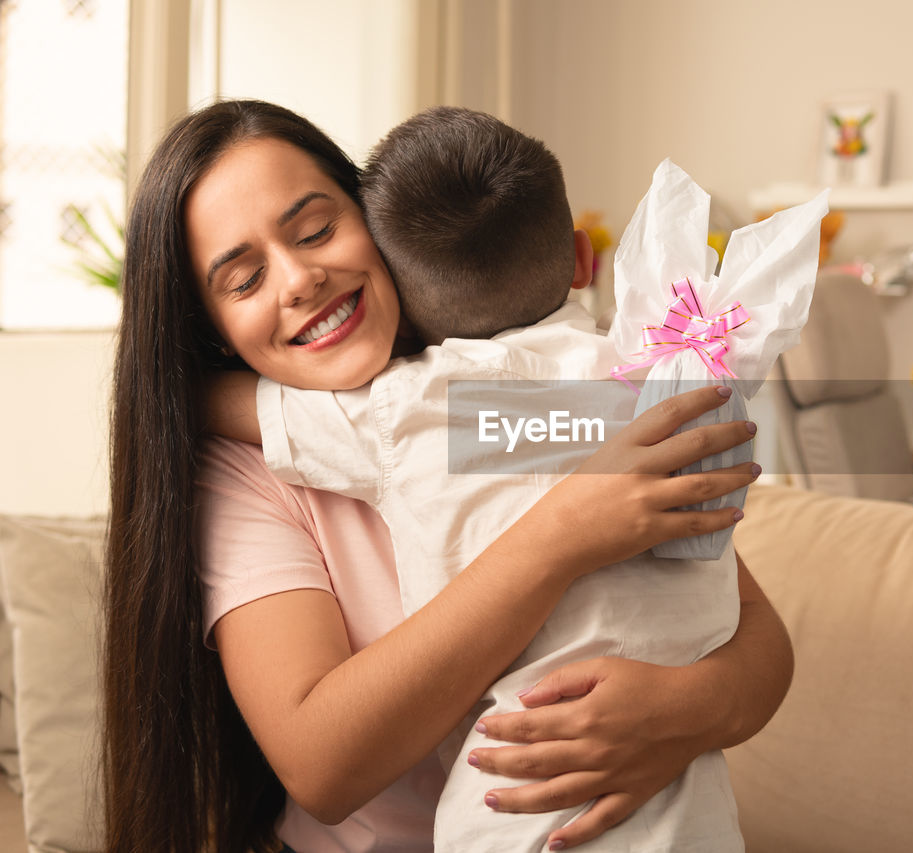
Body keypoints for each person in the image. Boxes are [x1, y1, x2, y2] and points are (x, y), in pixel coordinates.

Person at [103, 97, 793, 853]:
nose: (298, 278)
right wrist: (560, 533)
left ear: (377, 218)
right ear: (210, 327)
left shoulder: (556, 390)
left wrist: (677, 709)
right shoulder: (247, 474)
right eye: (243, 280)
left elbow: (758, 639)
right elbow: (322, 767)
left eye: (316, 230)